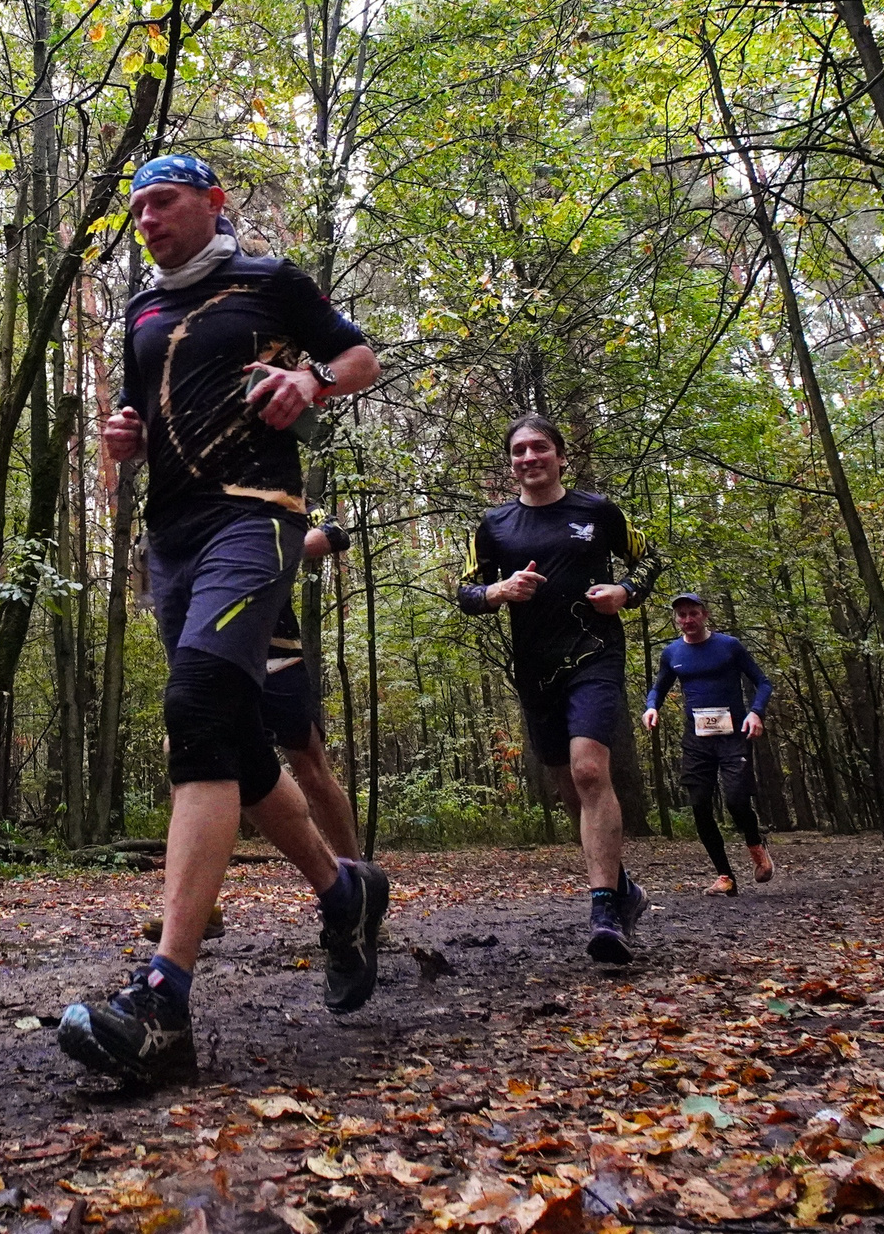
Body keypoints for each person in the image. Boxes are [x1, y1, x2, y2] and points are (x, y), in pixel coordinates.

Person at [60, 154, 389, 1086]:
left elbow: (362, 355)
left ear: (213, 202)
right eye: (135, 210)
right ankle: (343, 894)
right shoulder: (138, 311)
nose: (146, 221)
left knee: (199, 705)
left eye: (161, 203)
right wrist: (121, 440)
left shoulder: (270, 279)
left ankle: (164, 998)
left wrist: (312, 385)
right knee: (236, 741)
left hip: (258, 514)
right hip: (172, 537)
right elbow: (130, 415)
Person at [458, 413, 661, 962]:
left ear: (560, 455)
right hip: (534, 665)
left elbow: (652, 560)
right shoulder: (494, 525)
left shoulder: (596, 511)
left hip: (594, 654)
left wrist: (625, 592)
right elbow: (466, 593)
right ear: (511, 462)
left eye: (540, 448)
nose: (529, 458)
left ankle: (604, 912)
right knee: (569, 789)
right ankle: (624, 890)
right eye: (519, 451)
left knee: (589, 771)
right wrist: (500, 590)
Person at [642, 593, 774, 894]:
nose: (687, 620)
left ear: (705, 615)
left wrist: (756, 713)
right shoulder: (672, 653)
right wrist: (652, 707)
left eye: (693, 614)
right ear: (676, 619)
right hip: (697, 738)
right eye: (682, 615)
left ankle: (756, 847)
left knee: (736, 801)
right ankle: (725, 876)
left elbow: (763, 682)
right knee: (700, 804)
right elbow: (659, 687)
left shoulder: (729, 646)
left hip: (733, 735)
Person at [262, 521, 362, 860]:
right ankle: (194, 900)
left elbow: (335, 534)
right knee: (195, 762)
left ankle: (358, 875)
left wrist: (278, 550)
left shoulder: (268, 501)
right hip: (217, 660)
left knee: (312, 770)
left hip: (278, 660)